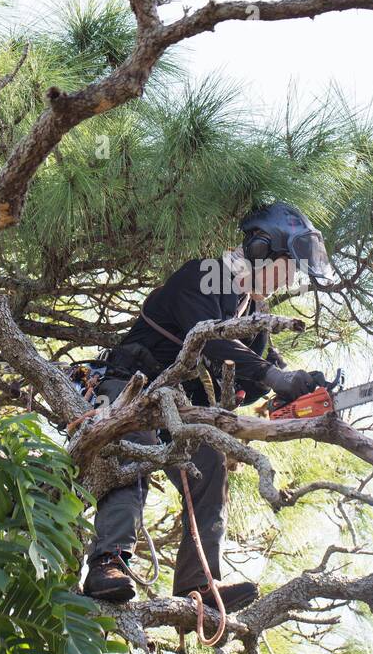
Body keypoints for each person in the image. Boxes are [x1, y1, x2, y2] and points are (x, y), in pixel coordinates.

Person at [81, 202, 331, 609]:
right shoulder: (202, 275)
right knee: (132, 451)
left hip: (177, 408)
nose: (290, 279)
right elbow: (211, 338)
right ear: (261, 249)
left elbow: (251, 375)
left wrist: (292, 388)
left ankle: (199, 584)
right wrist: (275, 376)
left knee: (211, 462)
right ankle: (108, 562)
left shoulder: (251, 313)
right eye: (288, 266)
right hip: (127, 388)